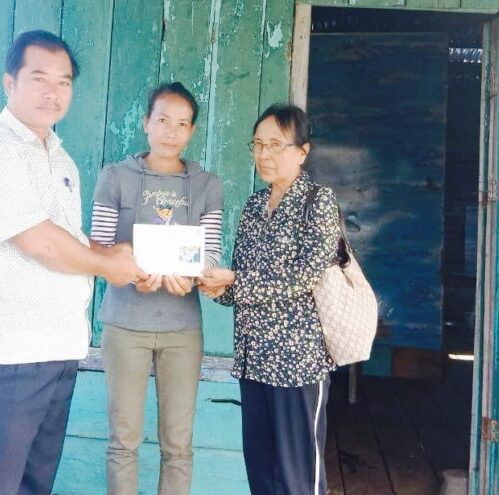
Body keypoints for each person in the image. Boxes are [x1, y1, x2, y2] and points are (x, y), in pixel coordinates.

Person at [0, 30, 146, 495]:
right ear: (9, 83)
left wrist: (111, 254)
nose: (53, 92)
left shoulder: (60, 159)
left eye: (64, 82)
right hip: (8, 351)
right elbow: (42, 244)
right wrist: (109, 266)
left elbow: (67, 238)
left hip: (56, 348)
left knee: (34, 485)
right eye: (39, 78)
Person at [199, 103, 340, 495]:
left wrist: (235, 281)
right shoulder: (253, 206)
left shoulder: (318, 201)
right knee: (261, 473)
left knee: (298, 477)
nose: (264, 154)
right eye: (258, 144)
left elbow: (305, 275)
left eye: (276, 145)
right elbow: (243, 280)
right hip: (254, 361)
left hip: (296, 363)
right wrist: (219, 289)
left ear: (302, 151)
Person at [90, 82, 223, 495]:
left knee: (178, 446)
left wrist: (195, 275)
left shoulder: (207, 185)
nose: (171, 131)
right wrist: (133, 275)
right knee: (123, 442)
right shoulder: (115, 177)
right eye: (163, 120)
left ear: (192, 131)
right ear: (146, 122)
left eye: (182, 124)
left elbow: (211, 253)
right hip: (125, 326)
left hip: (182, 330)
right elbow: (98, 249)